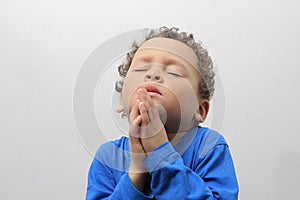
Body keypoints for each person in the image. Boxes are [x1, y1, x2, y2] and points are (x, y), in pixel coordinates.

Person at [86, 26, 239, 199]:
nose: (153, 74)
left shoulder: (209, 147)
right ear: (122, 100)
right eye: (141, 69)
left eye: (174, 72)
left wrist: (161, 154)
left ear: (200, 110)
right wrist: (135, 173)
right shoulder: (108, 156)